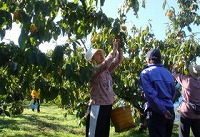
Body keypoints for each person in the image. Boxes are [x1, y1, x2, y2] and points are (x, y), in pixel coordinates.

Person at [85, 39, 123, 137]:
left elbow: (117, 61)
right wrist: (113, 50)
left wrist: (119, 49)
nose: (101, 55)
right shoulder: (93, 71)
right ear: (92, 60)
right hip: (97, 106)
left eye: (100, 53)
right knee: (93, 134)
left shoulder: (105, 71)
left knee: (103, 133)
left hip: (107, 106)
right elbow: (106, 64)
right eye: (97, 54)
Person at [140, 48, 176, 137]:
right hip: (170, 110)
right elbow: (174, 93)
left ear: (148, 60)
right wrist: (168, 107)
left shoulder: (145, 73)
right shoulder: (168, 73)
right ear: (160, 59)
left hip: (157, 111)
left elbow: (151, 95)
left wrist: (163, 111)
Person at [172, 63, 200, 137]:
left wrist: (175, 67)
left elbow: (174, 74)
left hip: (186, 112)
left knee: (183, 134)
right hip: (198, 113)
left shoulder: (187, 80)